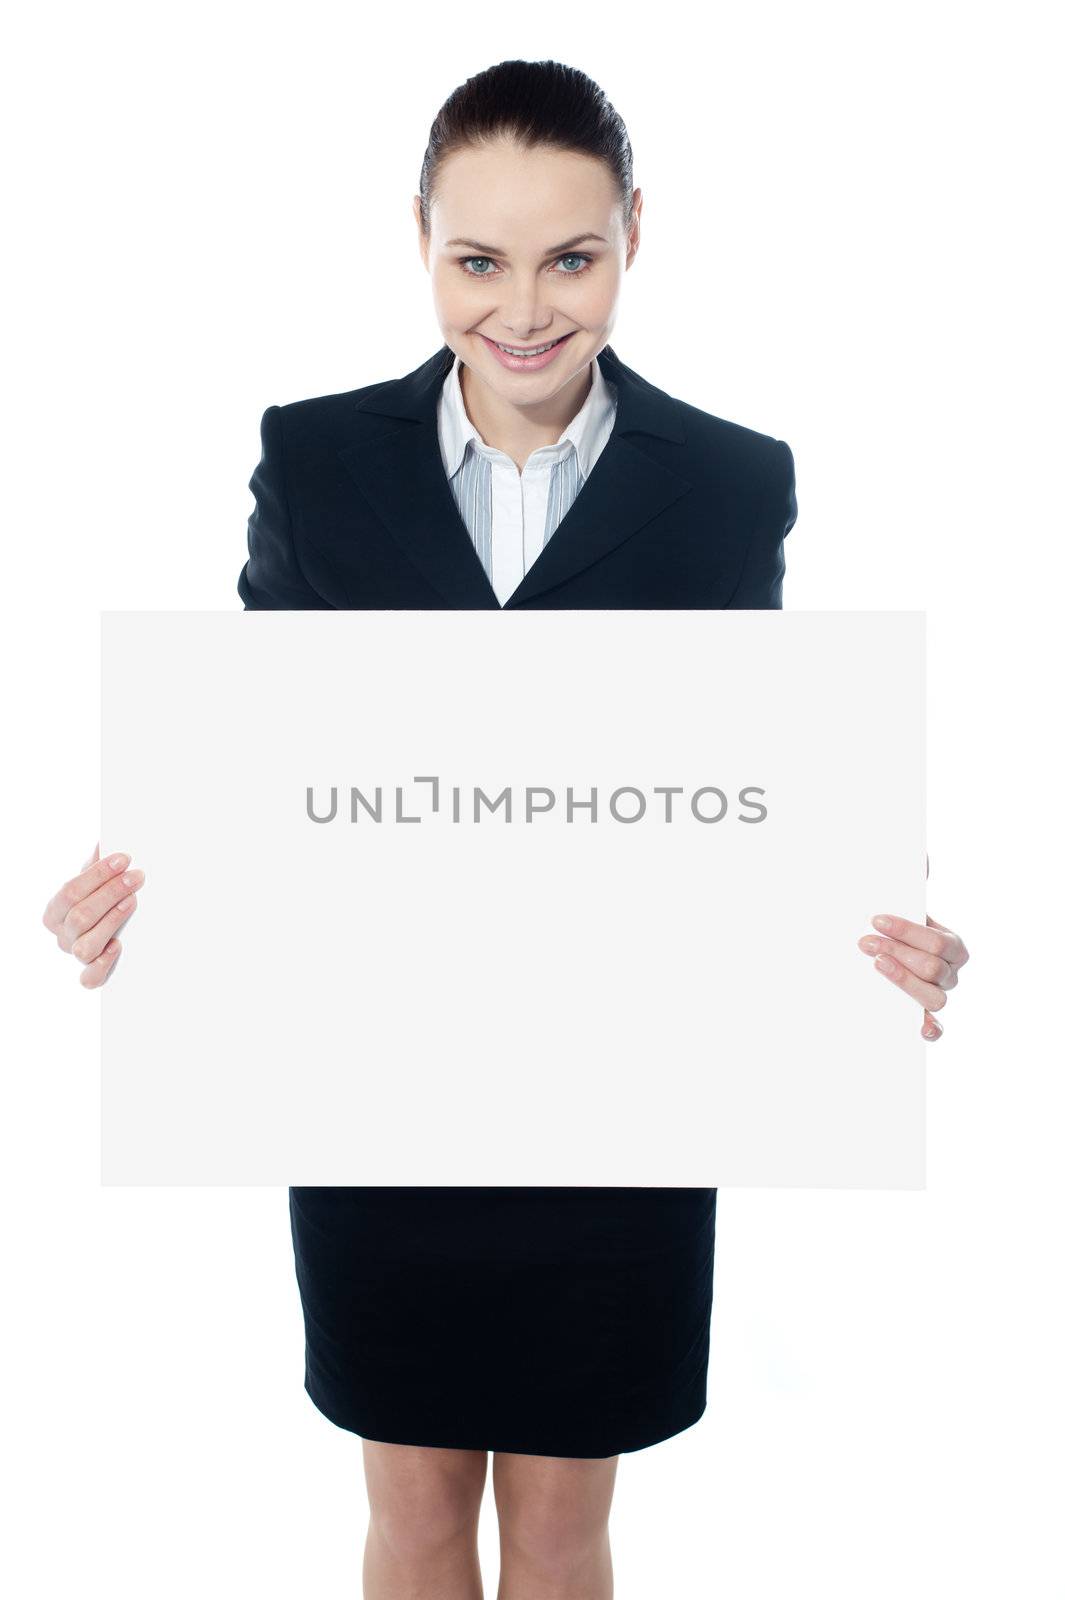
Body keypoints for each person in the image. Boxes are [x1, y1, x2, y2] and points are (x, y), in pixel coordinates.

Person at [41, 58, 970, 1600]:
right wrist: (140, 892)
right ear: (419, 241)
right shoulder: (317, 458)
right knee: (409, 1512)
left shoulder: (733, 484)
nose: (522, 307)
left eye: (569, 257)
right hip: (374, 1078)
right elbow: (252, 748)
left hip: (624, 1091)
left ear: (630, 239)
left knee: (559, 1523)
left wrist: (892, 936)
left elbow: (766, 779)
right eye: (477, 259)